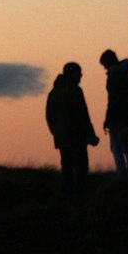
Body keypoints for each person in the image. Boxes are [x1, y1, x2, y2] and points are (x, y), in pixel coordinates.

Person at [45, 62, 99, 193]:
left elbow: (49, 116)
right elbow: (82, 114)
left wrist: (55, 132)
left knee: (67, 169)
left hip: (61, 138)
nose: (81, 76)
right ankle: (79, 198)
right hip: (77, 137)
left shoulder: (53, 92)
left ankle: (65, 197)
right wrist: (90, 134)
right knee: (81, 169)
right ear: (72, 74)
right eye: (79, 73)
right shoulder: (75, 90)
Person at [99, 49, 128, 177]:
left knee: (116, 147)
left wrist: (109, 119)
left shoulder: (114, 76)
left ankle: (122, 174)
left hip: (117, 117)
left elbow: (113, 100)